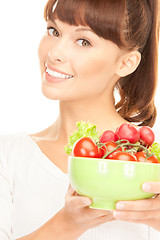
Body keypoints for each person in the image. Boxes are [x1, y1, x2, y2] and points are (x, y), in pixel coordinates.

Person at [0, 0, 160, 239]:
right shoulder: (8, 155)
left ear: (127, 63)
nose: (54, 53)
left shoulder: (148, 164)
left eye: (83, 41)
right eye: (54, 31)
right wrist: (67, 224)